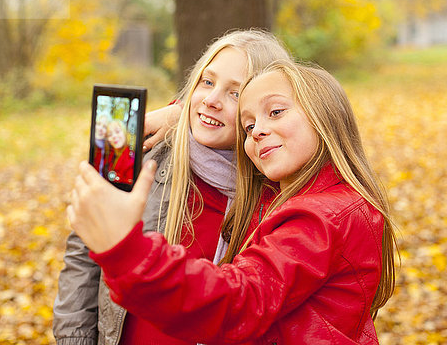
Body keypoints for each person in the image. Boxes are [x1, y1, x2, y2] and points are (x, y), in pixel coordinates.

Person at [67, 60, 398, 344]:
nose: (256, 131)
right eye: (248, 125)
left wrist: (127, 253)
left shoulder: (319, 218)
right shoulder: (305, 199)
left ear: (325, 115)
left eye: (276, 112)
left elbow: (240, 299)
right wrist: (182, 116)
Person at [53, 30, 292, 345]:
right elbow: (85, 255)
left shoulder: (278, 189)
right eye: (207, 82)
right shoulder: (144, 153)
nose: (211, 100)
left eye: (235, 93)